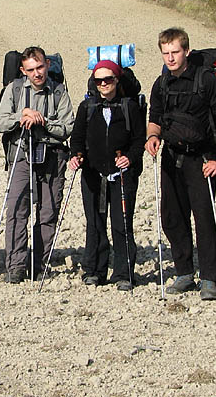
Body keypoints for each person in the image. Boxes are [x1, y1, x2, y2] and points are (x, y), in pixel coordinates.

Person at [144, 27, 216, 301]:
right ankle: (184, 272)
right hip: (171, 157)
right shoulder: (161, 84)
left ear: (186, 51)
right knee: (172, 217)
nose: (170, 58)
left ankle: (209, 278)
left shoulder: (208, 81)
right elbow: (155, 116)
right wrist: (152, 137)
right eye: (166, 53)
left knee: (204, 219)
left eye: (175, 52)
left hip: (203, 159)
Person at [0, 47, 74, 283]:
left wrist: (44, 122)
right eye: (31, 69)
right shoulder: (15, 89)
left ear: (48, 64)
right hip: (22, 154)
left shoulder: (59, 92)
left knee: (48, 212)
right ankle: (16, 267)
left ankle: (40, 264)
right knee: (17, 210)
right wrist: (23, 116)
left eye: (40, 67)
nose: (37, 73)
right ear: (23, 70)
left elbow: (68, 126)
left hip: (52, 156)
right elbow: (0, 120)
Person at [69, 60, 144, 290]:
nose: (103, 84)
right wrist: (77, 155)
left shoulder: (129, 107)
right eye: (98, 80)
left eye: (108, 79)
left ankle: (124, 273)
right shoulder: (87, 107)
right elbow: (77, 137)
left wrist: (129, 158)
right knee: (95, 223)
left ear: (117, 80)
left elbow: (139, 139)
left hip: (122, 176)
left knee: (122, 224)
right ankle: (94, 270)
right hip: (93, 175)